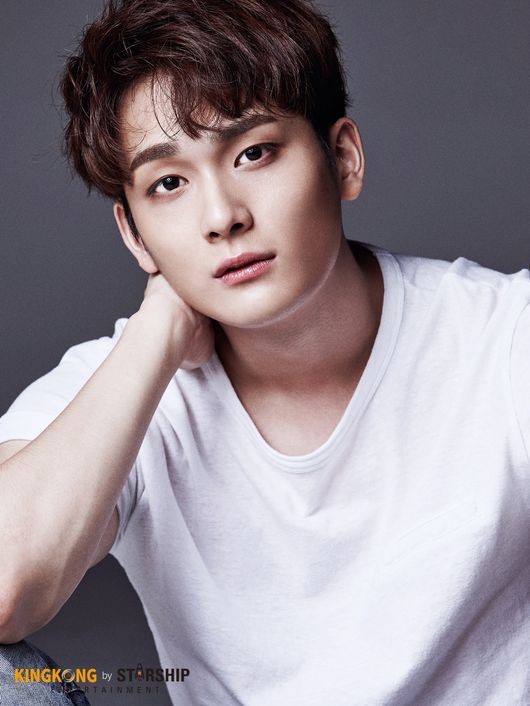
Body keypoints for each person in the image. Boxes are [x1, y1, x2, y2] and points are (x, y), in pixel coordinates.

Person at [0, 0, 528, 704]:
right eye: (169, 184)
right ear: (134, 235)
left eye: (253, 153)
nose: (222, 217)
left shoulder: (502, 335)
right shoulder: (125, 386)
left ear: (343, 159)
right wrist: (159, 328)